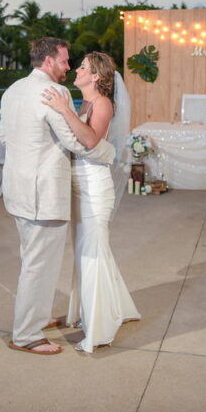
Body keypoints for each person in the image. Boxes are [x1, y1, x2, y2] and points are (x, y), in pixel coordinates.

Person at [0, 37, 116, 355]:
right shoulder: (56, 93)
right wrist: (109, 151)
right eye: (65, 61)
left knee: (30, 259)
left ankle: (34, 316)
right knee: (40, 265)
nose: (68, 66)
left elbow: (3, 136)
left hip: (16, 189)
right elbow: (79, 143)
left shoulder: (13, 90)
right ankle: (26, 335)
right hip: (43, 193)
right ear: (49, 61)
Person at [42, 52, 140, 352]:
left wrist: (64, 110)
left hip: (94, 187)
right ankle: (106, 308)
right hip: (76, 185)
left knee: (92, 253)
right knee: (88, 252)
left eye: (82, 67)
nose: (76, 70)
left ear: (95, 75)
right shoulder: (83, 102)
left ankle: (98, 328)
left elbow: (91, 140)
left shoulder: (102, 103)